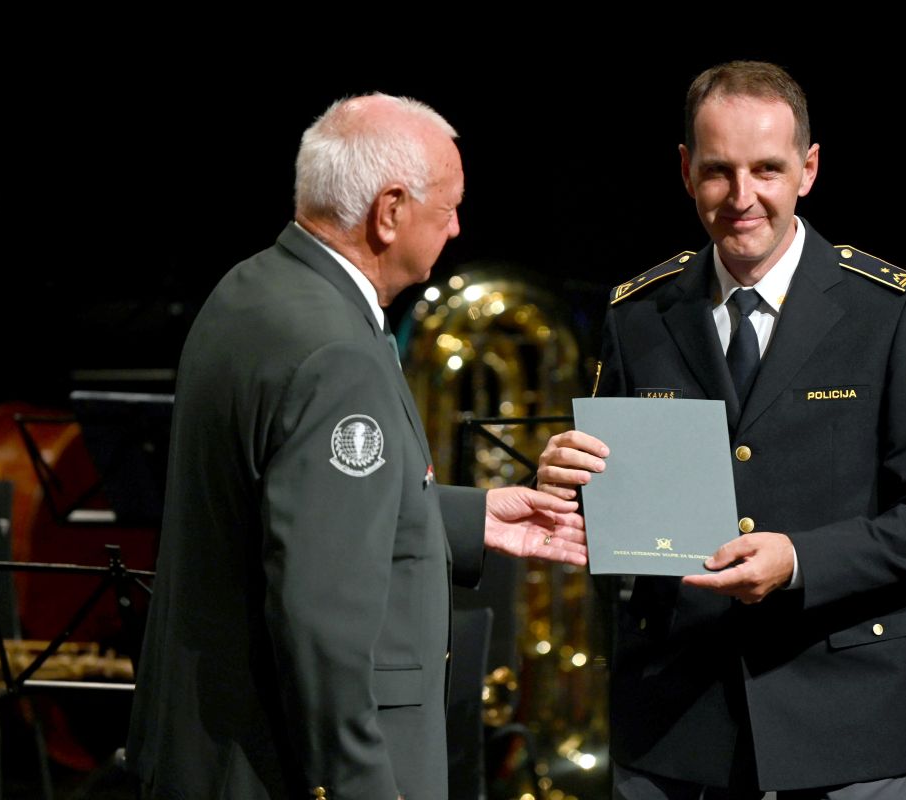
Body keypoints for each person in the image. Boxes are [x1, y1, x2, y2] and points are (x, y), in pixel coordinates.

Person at [126, 94, 587, 800]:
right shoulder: (336, 353)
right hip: (281, 768)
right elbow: (323, 622)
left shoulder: (250, 289)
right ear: (389, 211)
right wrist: (363, 785)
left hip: (205, 754)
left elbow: (290, 512)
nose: (457, 227)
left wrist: (469, 518)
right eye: (448, 208)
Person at [537, 62, 906, 799]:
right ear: (685, 171)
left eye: (767, 169)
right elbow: (620, 511)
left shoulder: (889, 310)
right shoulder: (638, 313)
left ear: (808, 169)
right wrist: (567, 480)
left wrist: (799, 559)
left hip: (839, 718)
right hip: (673, 718)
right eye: (718, 171)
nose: (742, 198)